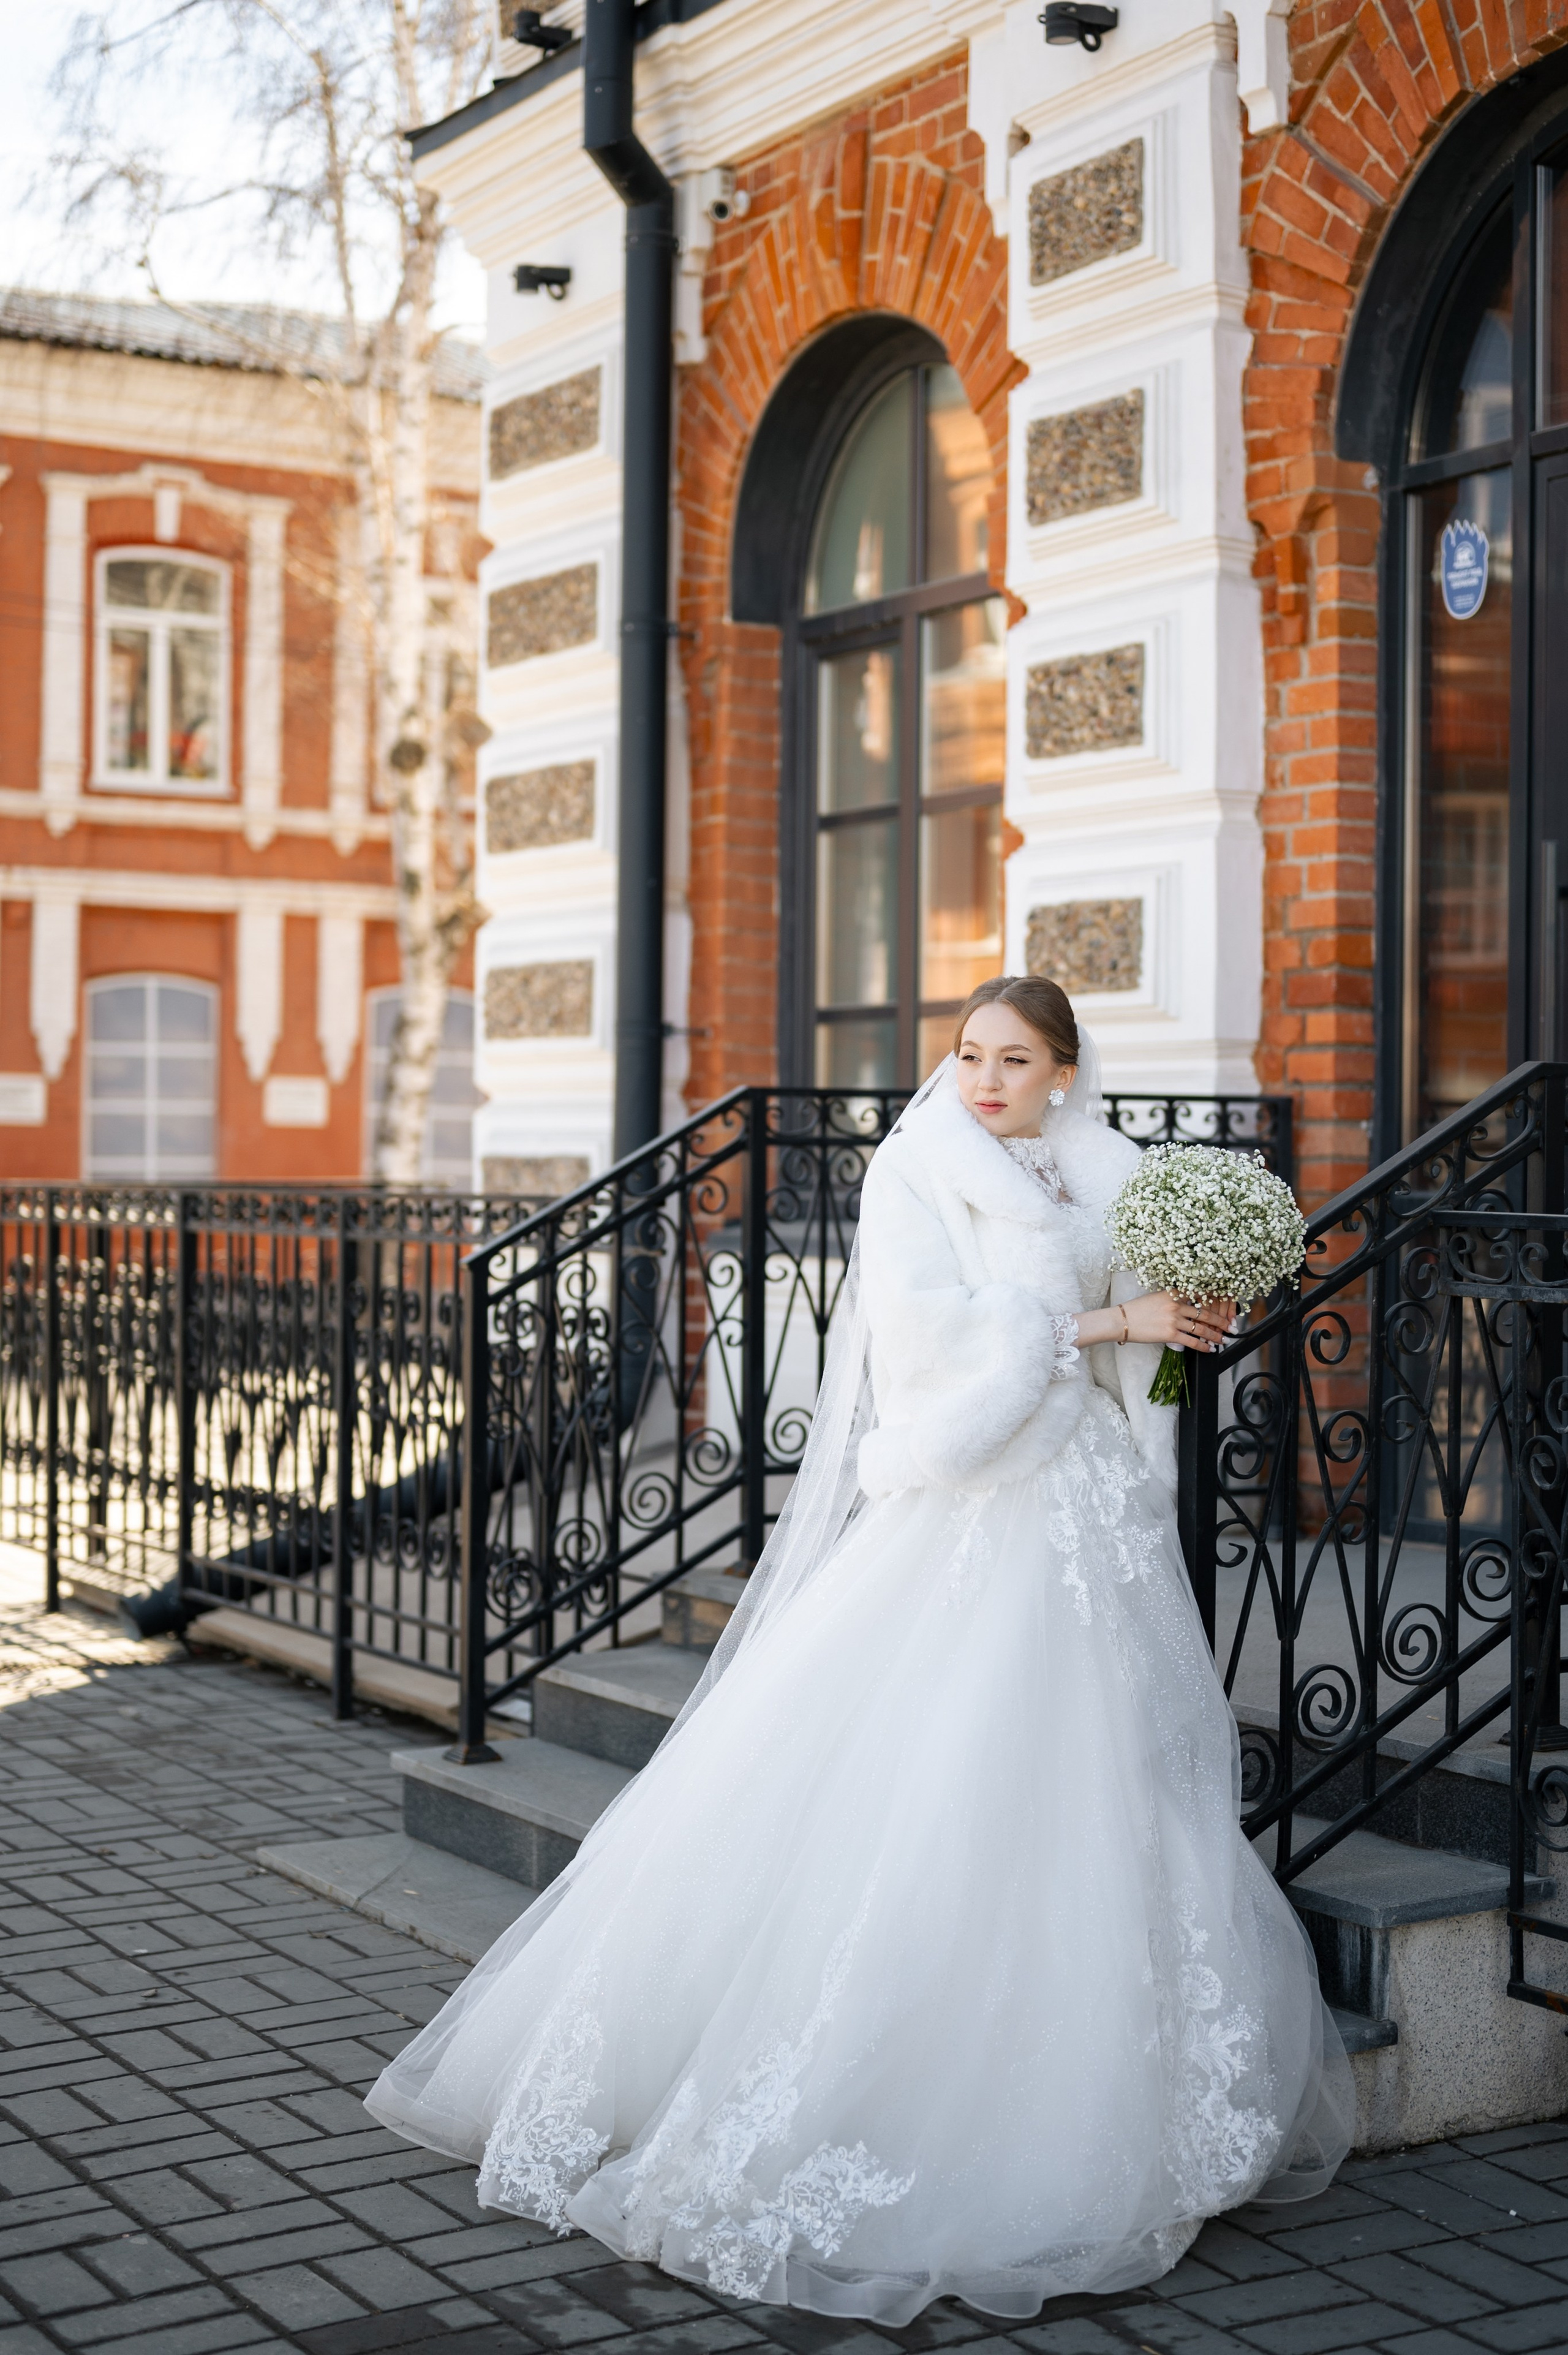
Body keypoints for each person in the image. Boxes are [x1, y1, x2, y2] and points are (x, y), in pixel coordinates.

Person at [365, 974, 1352, 2326]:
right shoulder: (916, 1172)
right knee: (942, 1768)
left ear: (1064, 1071)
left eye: (1015, 1059)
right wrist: (1104, 1326)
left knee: (1103, 1778)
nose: (985, 1078)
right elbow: (926, 1341)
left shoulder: (1104, 1171)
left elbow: (1139, 1344)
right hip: (975, 1498)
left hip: (1088, 1502)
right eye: (970, 1053)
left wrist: (1177, 1320)